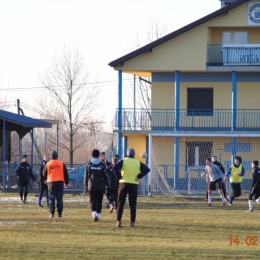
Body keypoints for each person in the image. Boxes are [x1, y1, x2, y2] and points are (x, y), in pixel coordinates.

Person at [113, 148, 150, 228]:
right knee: (133, 205)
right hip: (133, 184)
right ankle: (132, 222)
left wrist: (119, 176)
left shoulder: (123, 160)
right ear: (134, 154)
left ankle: (118, 221)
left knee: (120, 203)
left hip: (124, 184)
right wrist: (139, 176)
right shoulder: (137, 162)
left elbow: (114, 167)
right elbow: (147, 169)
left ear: (127, 153)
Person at [85, 149, 109, 222]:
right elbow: (106, 176)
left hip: (91, 186)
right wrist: (107, 184)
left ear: (92, 155)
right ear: (98, 155)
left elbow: (86, 176)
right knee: (99, 201)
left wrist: (86, 185)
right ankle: (98, 215)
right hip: (100, 186)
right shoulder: (102, 165)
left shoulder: (89, 164)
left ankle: (94, 213)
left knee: (92, 201)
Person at [43, 150, 69, 218]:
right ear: (57, 156)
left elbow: (44, 173)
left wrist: (46, 179)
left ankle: (52, 213)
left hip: (51, 183)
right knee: (59, 199)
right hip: (60, 183)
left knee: (52, 199)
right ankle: (60, 213)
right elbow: (66, 174)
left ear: (51, 157)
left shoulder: (48, 164)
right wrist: (66, 183)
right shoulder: (61, 163)